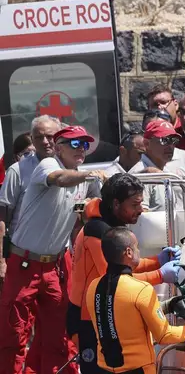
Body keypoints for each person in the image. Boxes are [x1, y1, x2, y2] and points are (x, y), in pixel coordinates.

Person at [0, 125, 106, 374]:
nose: (82, 149)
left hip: (56, 265)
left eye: (85, 144)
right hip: (24, 263)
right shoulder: (48, 165)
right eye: (75, 144)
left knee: (59, 334)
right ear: (58, 148)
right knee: (14, 335)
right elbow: (59, 179)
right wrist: (92, 176)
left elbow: (95, 209)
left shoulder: (82, 177)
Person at [67, 173, 182, 373]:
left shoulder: (111, 226)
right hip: (89, 320)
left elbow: (124, 265)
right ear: (116, 204)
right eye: (135, 204)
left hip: (108, 312)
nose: (140, 210)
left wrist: (157, 261)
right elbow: (117, 282)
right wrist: (160, 275)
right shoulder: (96, 231)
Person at [86, 227, 185, 374]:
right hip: (138, 370)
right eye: (136, 247)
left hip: (105, 369)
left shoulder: (93, 287)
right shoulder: (141, 289)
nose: (139, 251)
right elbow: (164, 335)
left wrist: (166, 306)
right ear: (129, 252)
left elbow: (119, 314)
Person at [129, 120, 185, 211]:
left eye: (174, 140)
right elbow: (141, 214)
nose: (171, 146)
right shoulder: (138, 174)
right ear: (147, 144)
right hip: (158, 225)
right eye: (164, 140)